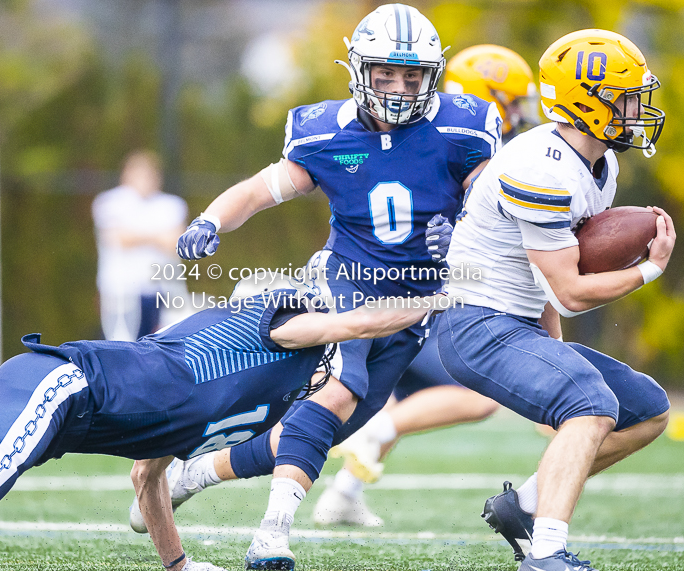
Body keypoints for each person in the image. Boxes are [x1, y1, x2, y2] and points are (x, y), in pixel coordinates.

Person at [154, 5, 501, 569]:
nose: (399, 87)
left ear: (432, 75)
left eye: (412, 75)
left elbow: (497, 208)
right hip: (346, 280)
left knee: (333, 426)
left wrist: (463, 230)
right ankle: (271, 535)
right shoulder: (325, 131)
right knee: (339, 388)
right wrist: (211, 219)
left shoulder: (463, 128)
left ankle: (194, 473)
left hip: (419, 300)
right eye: (386, 73)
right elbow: (259, 190)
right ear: (359, 70)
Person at [0, 276, 444, 571]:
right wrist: (444, 297)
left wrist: (178, 566)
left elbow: (147, 479)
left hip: (52, 394)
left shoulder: (254, 393)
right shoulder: (273, 329)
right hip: (64, 385)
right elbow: (357, 322)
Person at [436, 29, 672, 571]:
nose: (638, 109)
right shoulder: (541, 168)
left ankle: (524, 507)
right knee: (591, 405)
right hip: (476, 325)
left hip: (516, 323)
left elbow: (548, 282)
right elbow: (568, 291)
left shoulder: (600, 164)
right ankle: (545, 555)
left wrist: (554, 352)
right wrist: (651, 270)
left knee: (648, 410)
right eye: (627, 97)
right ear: (590, 102)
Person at [312, 43, 540, 528]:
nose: (519, 114)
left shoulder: (439, 140)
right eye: (512, 101)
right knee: (480, 393)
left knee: (379, 398)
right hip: (419, 298)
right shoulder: (455, 144)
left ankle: (343, 492)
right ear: (483, 96)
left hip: (402, 293)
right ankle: (362, 449)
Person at [92, 150, 187, 341]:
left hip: (159, 290)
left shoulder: (172, 205)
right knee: (120, 344)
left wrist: (138, 235)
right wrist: (157, 236)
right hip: (120, 291)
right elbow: (119, 239)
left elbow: (175, 242)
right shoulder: (109, 202)